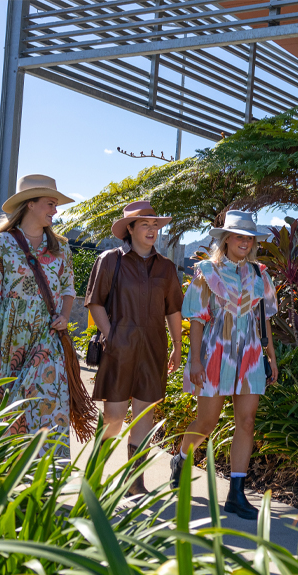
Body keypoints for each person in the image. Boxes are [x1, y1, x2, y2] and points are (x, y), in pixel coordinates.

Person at [170, 210, 279, 520]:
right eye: (239, 236)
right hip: (216, 353)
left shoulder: (260, 274)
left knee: (247, 421)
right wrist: (194, 360)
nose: (244, 242)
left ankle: (236, 493)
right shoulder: (207, 272)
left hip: (250, 355)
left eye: (249, 237)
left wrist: (271, 356)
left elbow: (264, 319)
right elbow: (197, 319)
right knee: (207, 422)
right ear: (227, 238)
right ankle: (181, 456)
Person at [0, 174, 82, 458]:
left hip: (46, 340)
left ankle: (45, 474)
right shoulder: (0, 244)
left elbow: (68, 288)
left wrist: (64, 317)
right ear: (30, 204)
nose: (55, 210)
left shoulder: (61, 247)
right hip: (6, 339)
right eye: (50, 204)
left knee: (49, 403)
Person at [85, 200, 184, 496]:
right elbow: (95, 301)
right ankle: (94, 475)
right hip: (119, 347)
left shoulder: (166, 267)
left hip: (153, 347)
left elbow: (173, 310)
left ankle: (135, 482)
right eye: (145, 224)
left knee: (144, 416)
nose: (152, 229)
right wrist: (110, 334)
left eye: (155, 225)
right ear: (130, 229)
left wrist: (178, 346)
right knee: (114, 418)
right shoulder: (110, 260)